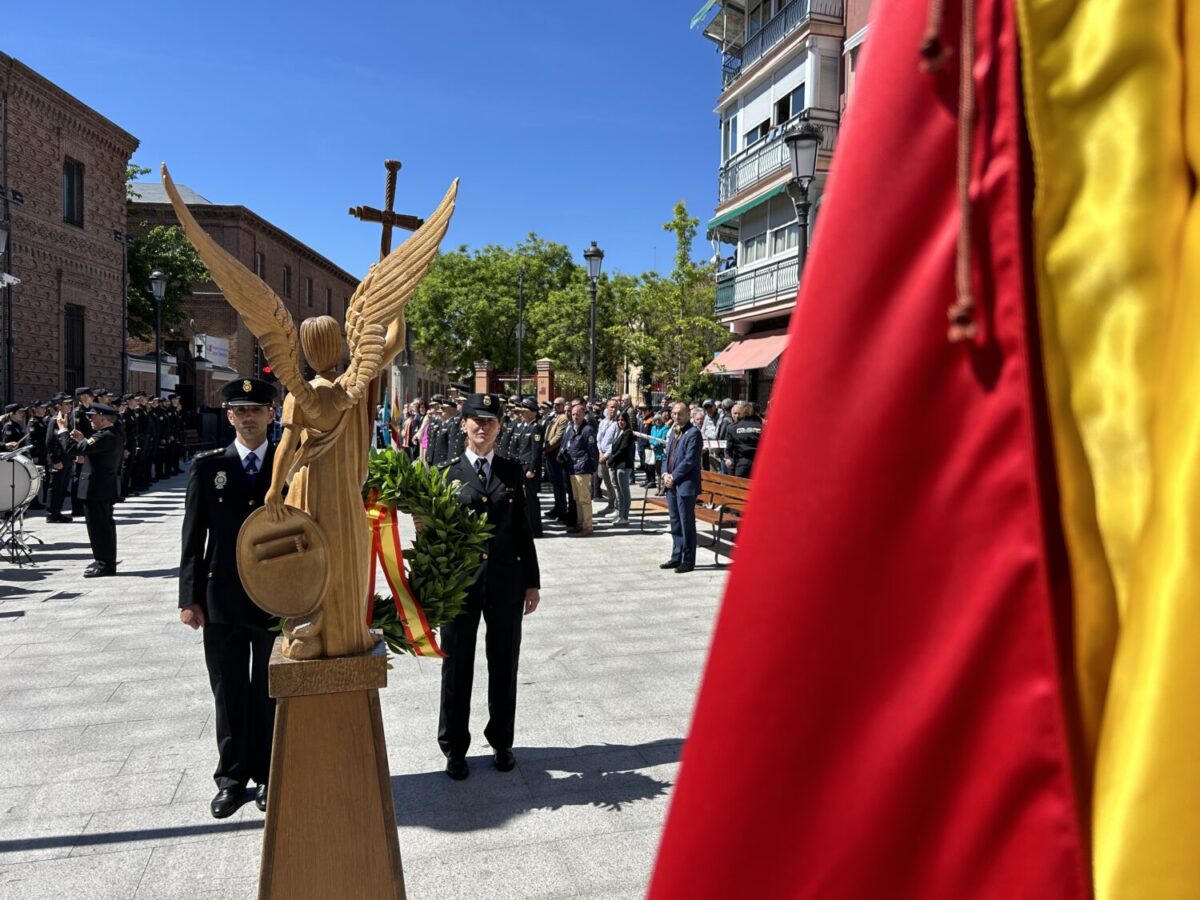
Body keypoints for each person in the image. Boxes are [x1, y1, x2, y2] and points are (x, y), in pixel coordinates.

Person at [178, 377, 279, 819]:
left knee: (271, 690)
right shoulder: (207, 468)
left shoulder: (289, 465)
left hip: (278, 596)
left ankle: (271, 773)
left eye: (257, 409)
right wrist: (189, 597)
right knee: (229, 688)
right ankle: (232, 777)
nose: (249, 417)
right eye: (240, 410)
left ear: (272, 414)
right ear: (230, 416)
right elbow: (193, 537)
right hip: (222, 597)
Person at [437, 392, 541, 780]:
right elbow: (437, 536)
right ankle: (454, 748)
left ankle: (502, 741)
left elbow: (522, 532)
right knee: (456, 667)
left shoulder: (512, 472)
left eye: (491, 422)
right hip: (461, 586)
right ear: (464, 424)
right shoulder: (445, 472)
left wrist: (532, 582)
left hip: (505, 583)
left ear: (500, 428)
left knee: (504, 664)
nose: (483, 428)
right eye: (476, 421)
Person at [61, 402, 125, 577]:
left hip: (97, 489)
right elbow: (90, 449)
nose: (89, 419)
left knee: (99, 528)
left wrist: (62, 431)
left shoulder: (105, 436)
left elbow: (72, 449)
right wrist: (83, 439)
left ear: (102, 418)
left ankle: (105, 564)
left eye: (92, 416)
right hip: (101, 488)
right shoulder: (110, 434)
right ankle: (104, 560)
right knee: (101, 527)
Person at [661, 401, 702, 574]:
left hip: (685, 485)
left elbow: (690, 460)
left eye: (680, 413)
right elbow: (666, 456)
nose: (676, 416)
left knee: (686, 523)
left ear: (688, 415)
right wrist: (664, 474)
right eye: (674, 413)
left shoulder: (693, 433)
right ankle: (676, 555)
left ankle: (687, 560)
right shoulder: (673, 432)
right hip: (671, 484)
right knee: (675, 522)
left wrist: (674, 477)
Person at [559, 401, 598, 536]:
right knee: (577, 499)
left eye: (578, 414)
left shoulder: (588, 430)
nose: (575, 416)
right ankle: (580, 524)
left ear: (583, 415)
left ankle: (587, 527)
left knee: (584, 499)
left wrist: (593, 467)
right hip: (572, 468)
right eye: (573, 414)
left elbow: (592, 450)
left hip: (582, 468)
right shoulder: (572, 428)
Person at [514, 398, 544, 538]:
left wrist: (533, 469)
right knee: (525, 499)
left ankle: (535, 529)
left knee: (531, 499)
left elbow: (536, 451)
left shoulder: (536, 427)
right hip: (522, 467)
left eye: (525, 411)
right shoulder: (526, 427)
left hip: (529, 469)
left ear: (533, 413)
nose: (522, 413)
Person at [542, 397, 570, 520]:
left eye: (558, 404)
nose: (555, 406)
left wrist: (546, 448)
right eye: (554, 404)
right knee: (554, 482)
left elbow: (558, 437)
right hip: (549, 453)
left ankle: (562, 508)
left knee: (559, 483)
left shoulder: (563, 418)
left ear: (564, 405)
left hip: (555, 454)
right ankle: (557, 506)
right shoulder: (554, 417)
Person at [608, 413, 636, 525]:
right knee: (619, 493)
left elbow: (622, 449)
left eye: (623, 420)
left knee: (624, 493)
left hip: (624, 466)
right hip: (617, 465)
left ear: (627, 421)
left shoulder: (628, 433)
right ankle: (620, 515)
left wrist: (611, 459)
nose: (620, 422)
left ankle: (625, 516)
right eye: (619, 420)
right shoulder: (621, 432)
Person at [726, 401, 764, 477]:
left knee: (740, 488)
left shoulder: (733, 428)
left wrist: (730, 459)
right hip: (761, 464)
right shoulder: (763, 426)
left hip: (742, 465)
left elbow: (729, 449)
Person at [595, 399, 619, 514]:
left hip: (611, 456)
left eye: (615, 407)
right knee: (606, 481)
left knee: (614, 482)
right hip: (601, 454)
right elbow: (598, 439)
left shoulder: (618, 423)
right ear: (607, 408)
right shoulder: (603, 422)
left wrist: (606, 455)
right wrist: (600, 452)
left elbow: (615, 442)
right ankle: (610, 504)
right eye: (611, 407)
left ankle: (618, 507)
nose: (613, 410)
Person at [650, 414, 671, 494]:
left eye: (659, 420)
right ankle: (658, 488)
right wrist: (651, 444)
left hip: (662, 453)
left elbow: (662, 440)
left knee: (663, 472)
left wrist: (654, 444)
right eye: (656, 420)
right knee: (657, 472)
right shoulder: (653, 428)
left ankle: (663, 488)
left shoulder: (665, 428)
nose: (657, 421)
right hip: (655, 453)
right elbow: (650, 438)